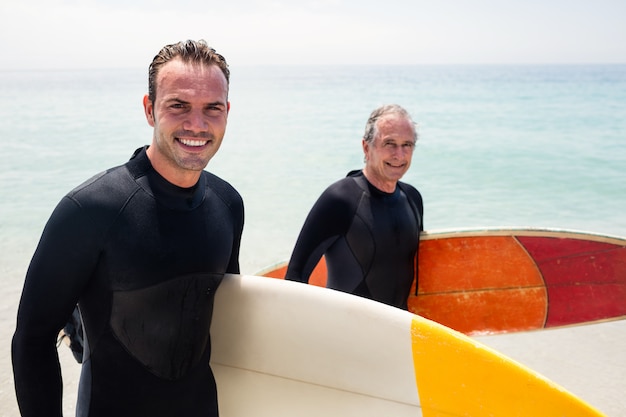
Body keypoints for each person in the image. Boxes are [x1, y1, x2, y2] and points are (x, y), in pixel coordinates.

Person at [11, 40, 244, 417]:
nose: (196, 124)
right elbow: (32, 341)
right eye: (178, 105)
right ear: (150, 110)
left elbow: (226, 318)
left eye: (212, 109)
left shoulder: (228, 204)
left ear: (227, 112)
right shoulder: (91, 209)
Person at [285, 104, 423, 309]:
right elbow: (295, 277)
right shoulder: (340, 200)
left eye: (407, 145)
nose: (399, 155)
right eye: (390, 143)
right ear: (366, 148)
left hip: (397, 332)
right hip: (345, 334)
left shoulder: (412, 198)